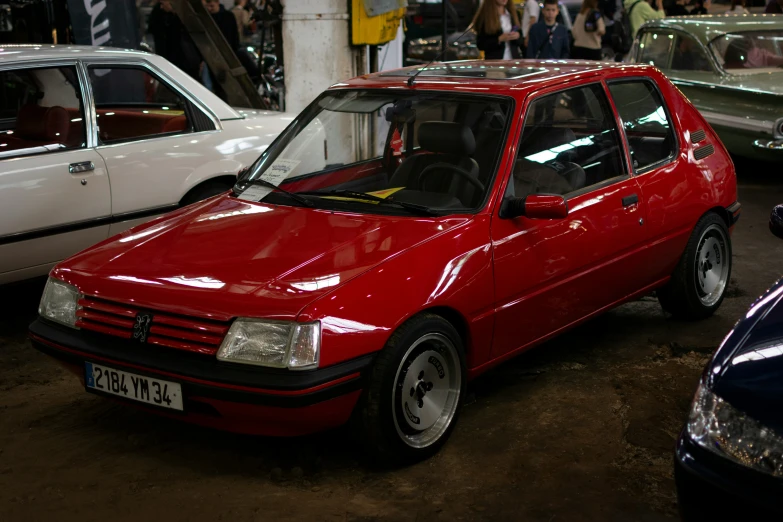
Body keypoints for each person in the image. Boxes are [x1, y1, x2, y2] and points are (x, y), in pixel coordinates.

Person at [147, 0, 202, 80]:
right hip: (168, 58)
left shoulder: (185, 13)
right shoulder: (158, 12)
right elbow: (154, 30)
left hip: (187, 58)